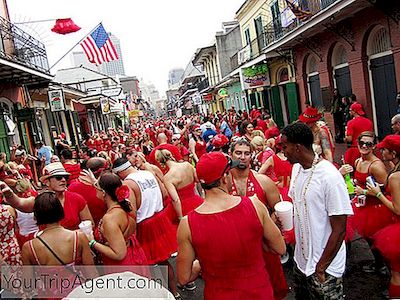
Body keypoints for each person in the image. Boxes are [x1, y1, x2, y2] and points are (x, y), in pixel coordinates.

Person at [177, 152, 285, 299]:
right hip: (258, 292)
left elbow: (184, 277)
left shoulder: (187, 224)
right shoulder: (254, 205)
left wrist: (201, 263)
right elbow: (279, 247)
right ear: (224, 178)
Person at [281, 122, 353, 299]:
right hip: (301, 263)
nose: (282, 151)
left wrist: (321, 267)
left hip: (324, 269)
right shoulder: (296, 168)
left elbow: (340, 228)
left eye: (284, 146)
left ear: (297, 147)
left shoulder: (329, 176)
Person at [229, 138, 288, 299]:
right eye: (238, 153)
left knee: (270, 289)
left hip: (263, 246)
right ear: (231, 154)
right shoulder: (223, 183)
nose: (242, 157)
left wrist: (269, 225)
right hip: (235, 248)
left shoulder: (264, 181)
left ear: (252, 156)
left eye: (247, 153)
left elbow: (278, 210)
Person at [112, 157, 178, 297]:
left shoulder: (127, 183)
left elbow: (132, 212)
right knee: (164, 262)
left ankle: (157, 296)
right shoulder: (147, 173)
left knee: (147, 266)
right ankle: (175, 293)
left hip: (144, 226)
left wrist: (128, 232)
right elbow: (165, 193)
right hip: (160, 220)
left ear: (119, 173)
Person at [21, 192, 94, 298]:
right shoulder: (79, 237)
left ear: (36, 215)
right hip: (78, 293)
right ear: (60, 210)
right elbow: (91, 272)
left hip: (49, 295)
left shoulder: (29, 248)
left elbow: (27, 284)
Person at [352, 131, 395, 274]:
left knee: (382, 242)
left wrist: (364, 192)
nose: (364, 146)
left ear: (374, 146)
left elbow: (388, 190)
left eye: (368, 144)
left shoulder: (376, 166)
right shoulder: (358, 161)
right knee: (369, 240)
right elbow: (359, 182)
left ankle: (391, 275)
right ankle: (379, 265)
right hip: (364, 207)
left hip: (377, 209)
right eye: (361, 143)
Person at [85, 172, 147, 267]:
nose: (95, 190)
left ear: (104, 193)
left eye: (96, 187)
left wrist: (92, 242)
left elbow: (119, 254)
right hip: (134, 255)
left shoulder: (110, 219)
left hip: (122, 266)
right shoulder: (127, 204)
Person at [367, 135, 400, 298]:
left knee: (397, 274)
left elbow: (398, 209)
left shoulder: (395, 176)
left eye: (384, 149)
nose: (381, 151)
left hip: (398, 228)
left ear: (393, 153)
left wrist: (378, 194)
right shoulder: (394, 168)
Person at [40, 162, 94, 230]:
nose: (63, 180)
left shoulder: (77, 199)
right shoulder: (40, 202)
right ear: (47, 182)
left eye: (65, 177)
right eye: (58, 178)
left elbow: (90, 224)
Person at [155, 149, 203, 220]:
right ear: (170, 155)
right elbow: (197, 179)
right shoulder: (187, 165)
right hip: (197, 201)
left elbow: (176, 200)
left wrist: (180, 217)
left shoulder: (167, 177)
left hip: (183, 208)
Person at [68, 157, 108, 226]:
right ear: (102, 171)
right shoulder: (105, 188)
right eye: (107, 169)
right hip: (103, 228)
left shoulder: (72, 186)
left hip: (83, 230)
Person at [344, 102, 373, 167]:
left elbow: (349, 139)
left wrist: (345, 138)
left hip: (356, 149)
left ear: (354, 111)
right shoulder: (369, 121)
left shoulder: (351, 123)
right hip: (369, 149)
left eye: (350, 110)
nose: (349, 112)